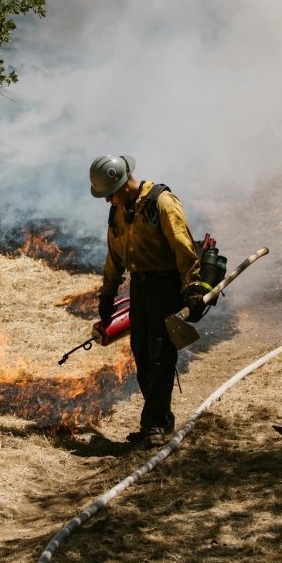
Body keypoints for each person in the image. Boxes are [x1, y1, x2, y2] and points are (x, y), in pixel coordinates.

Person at [89, 154, 204, 447]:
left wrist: (192, 286)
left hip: (167, 288)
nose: (106, 201)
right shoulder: (118, 212)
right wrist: (107, 294)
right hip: (140, 289)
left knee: (159, 355)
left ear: (122, 184)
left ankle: (153, 424)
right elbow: (115, 255)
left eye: (108, 195)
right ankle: (161, 417)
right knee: (141, 353)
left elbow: (183, 246)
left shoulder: (162, 203)